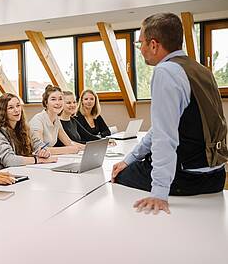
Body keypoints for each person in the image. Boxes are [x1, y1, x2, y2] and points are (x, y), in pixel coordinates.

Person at [111, 13, 228, 214]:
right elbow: (160, 129)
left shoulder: (166, 71)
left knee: (118, 176)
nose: (141, 50)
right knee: (128, 166)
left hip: (187, 179)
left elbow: (165, 138)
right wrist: (129, 158)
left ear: (154, 45)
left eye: (141, 44)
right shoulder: (201, 70)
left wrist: (159, 193)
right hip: (216, 176)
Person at [0, 93, 57, 170]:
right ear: (3, 112)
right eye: (10, 108)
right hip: (1, 177)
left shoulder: (24, 128)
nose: (16, 110)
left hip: (19, 172)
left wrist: (44, 151)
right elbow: (9, 160)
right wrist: (38, 160)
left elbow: (38, 143)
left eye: (18, 105)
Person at [29, 85, 84, 155]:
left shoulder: (56, 120)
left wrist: (88, 148)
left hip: (48, 159)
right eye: (53, 99)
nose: (58, 103)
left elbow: (69, 143)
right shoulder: (37, 120)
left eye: (60, 99)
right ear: (46, 103)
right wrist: (69, 149)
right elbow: (40, 149)